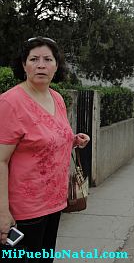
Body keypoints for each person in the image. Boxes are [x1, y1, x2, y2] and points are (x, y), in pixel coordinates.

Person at [0, 36, 90, 261]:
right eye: (34, 59)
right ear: (23, 65)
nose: (41, 65)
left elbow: (50, 135)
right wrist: (2, 212)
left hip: (54, 202)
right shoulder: (10, 103)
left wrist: (73, 139)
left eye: (48, 59)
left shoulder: (56, 98)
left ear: (56, 65)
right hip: (24, 209)